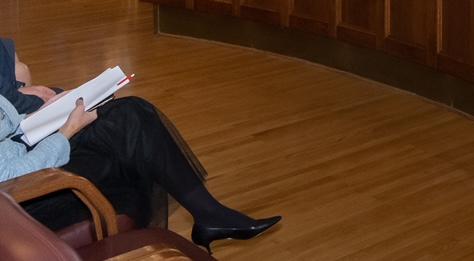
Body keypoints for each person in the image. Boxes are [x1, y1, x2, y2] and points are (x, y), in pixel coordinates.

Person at [0, 47, 281, 252]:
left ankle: (209, 214)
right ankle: (210, 216)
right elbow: (11, 175)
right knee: (128, 134)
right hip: (22, 195)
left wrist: (36, 111)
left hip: (24, 150)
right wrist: (66, 131)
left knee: (127, 115)